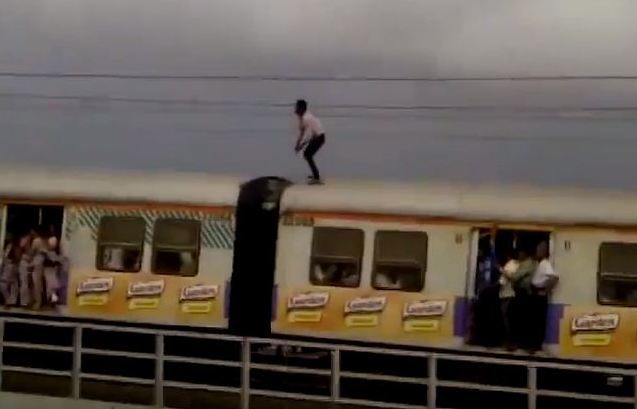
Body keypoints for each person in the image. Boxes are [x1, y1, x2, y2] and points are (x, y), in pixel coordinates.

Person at [528, 241, 559, 352]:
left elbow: (554, 278)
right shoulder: (539, 263)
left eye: (539, 250)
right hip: (535, 293)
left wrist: (546, 289)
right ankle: (533, 344)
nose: (537, 252)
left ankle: (536, 345)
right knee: (534, 320)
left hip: (539, 294)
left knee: (538, 321)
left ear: (544, 252)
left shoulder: (545, 263)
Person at [294, 99, 326, 184]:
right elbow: (301, 133)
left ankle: (316, 178)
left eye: (296, 107)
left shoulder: (306, 118)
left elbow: (308, 135)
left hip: (319, 137)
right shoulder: (302, 118)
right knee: (307, 155)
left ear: (301, 109)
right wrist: (297, 145)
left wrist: (300, 146)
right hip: (316, 137)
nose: (295, 109)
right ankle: (316, 175)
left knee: (307, 154)